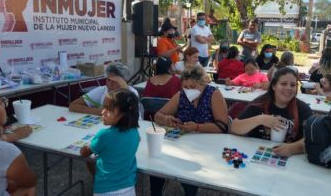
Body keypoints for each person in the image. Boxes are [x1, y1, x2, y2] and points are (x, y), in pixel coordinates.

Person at [153, 66, 229, 196]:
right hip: (182, 145)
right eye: (185, 87)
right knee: (157, 168)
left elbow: (222, 126)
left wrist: (197, 127)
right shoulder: (181, 95)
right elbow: (157, 116)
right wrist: (167, 119)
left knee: (189, 178)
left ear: (202, 84)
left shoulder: (213, 94)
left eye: (192, 87)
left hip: (207, 148)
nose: (188, 90)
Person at [230, 68, 313, 157]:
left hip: (291, 159)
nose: (288, 88)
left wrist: (292, 148)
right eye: (283, 84)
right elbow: (234, 127)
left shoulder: (302, 108)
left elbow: (312, 138)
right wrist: (261, 119)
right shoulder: (260, 104)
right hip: (257, 154)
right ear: (274, 86)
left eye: (293, 85)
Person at [80, 89, 140, 196]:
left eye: (109, 109)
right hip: (129, 188)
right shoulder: (135, 132)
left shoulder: (104, 135)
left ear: (123, 114)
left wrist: (83, 147)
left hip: (106, 190)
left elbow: (84, 153)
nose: (103, 112)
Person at [69, 62, 140, 116]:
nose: (110, 84)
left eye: (115, 81)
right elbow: (73, 106)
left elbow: (126, 115)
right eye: (108, 80)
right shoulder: (102, 90)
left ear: (125, 81)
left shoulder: (132, 93)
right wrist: (101, 111)